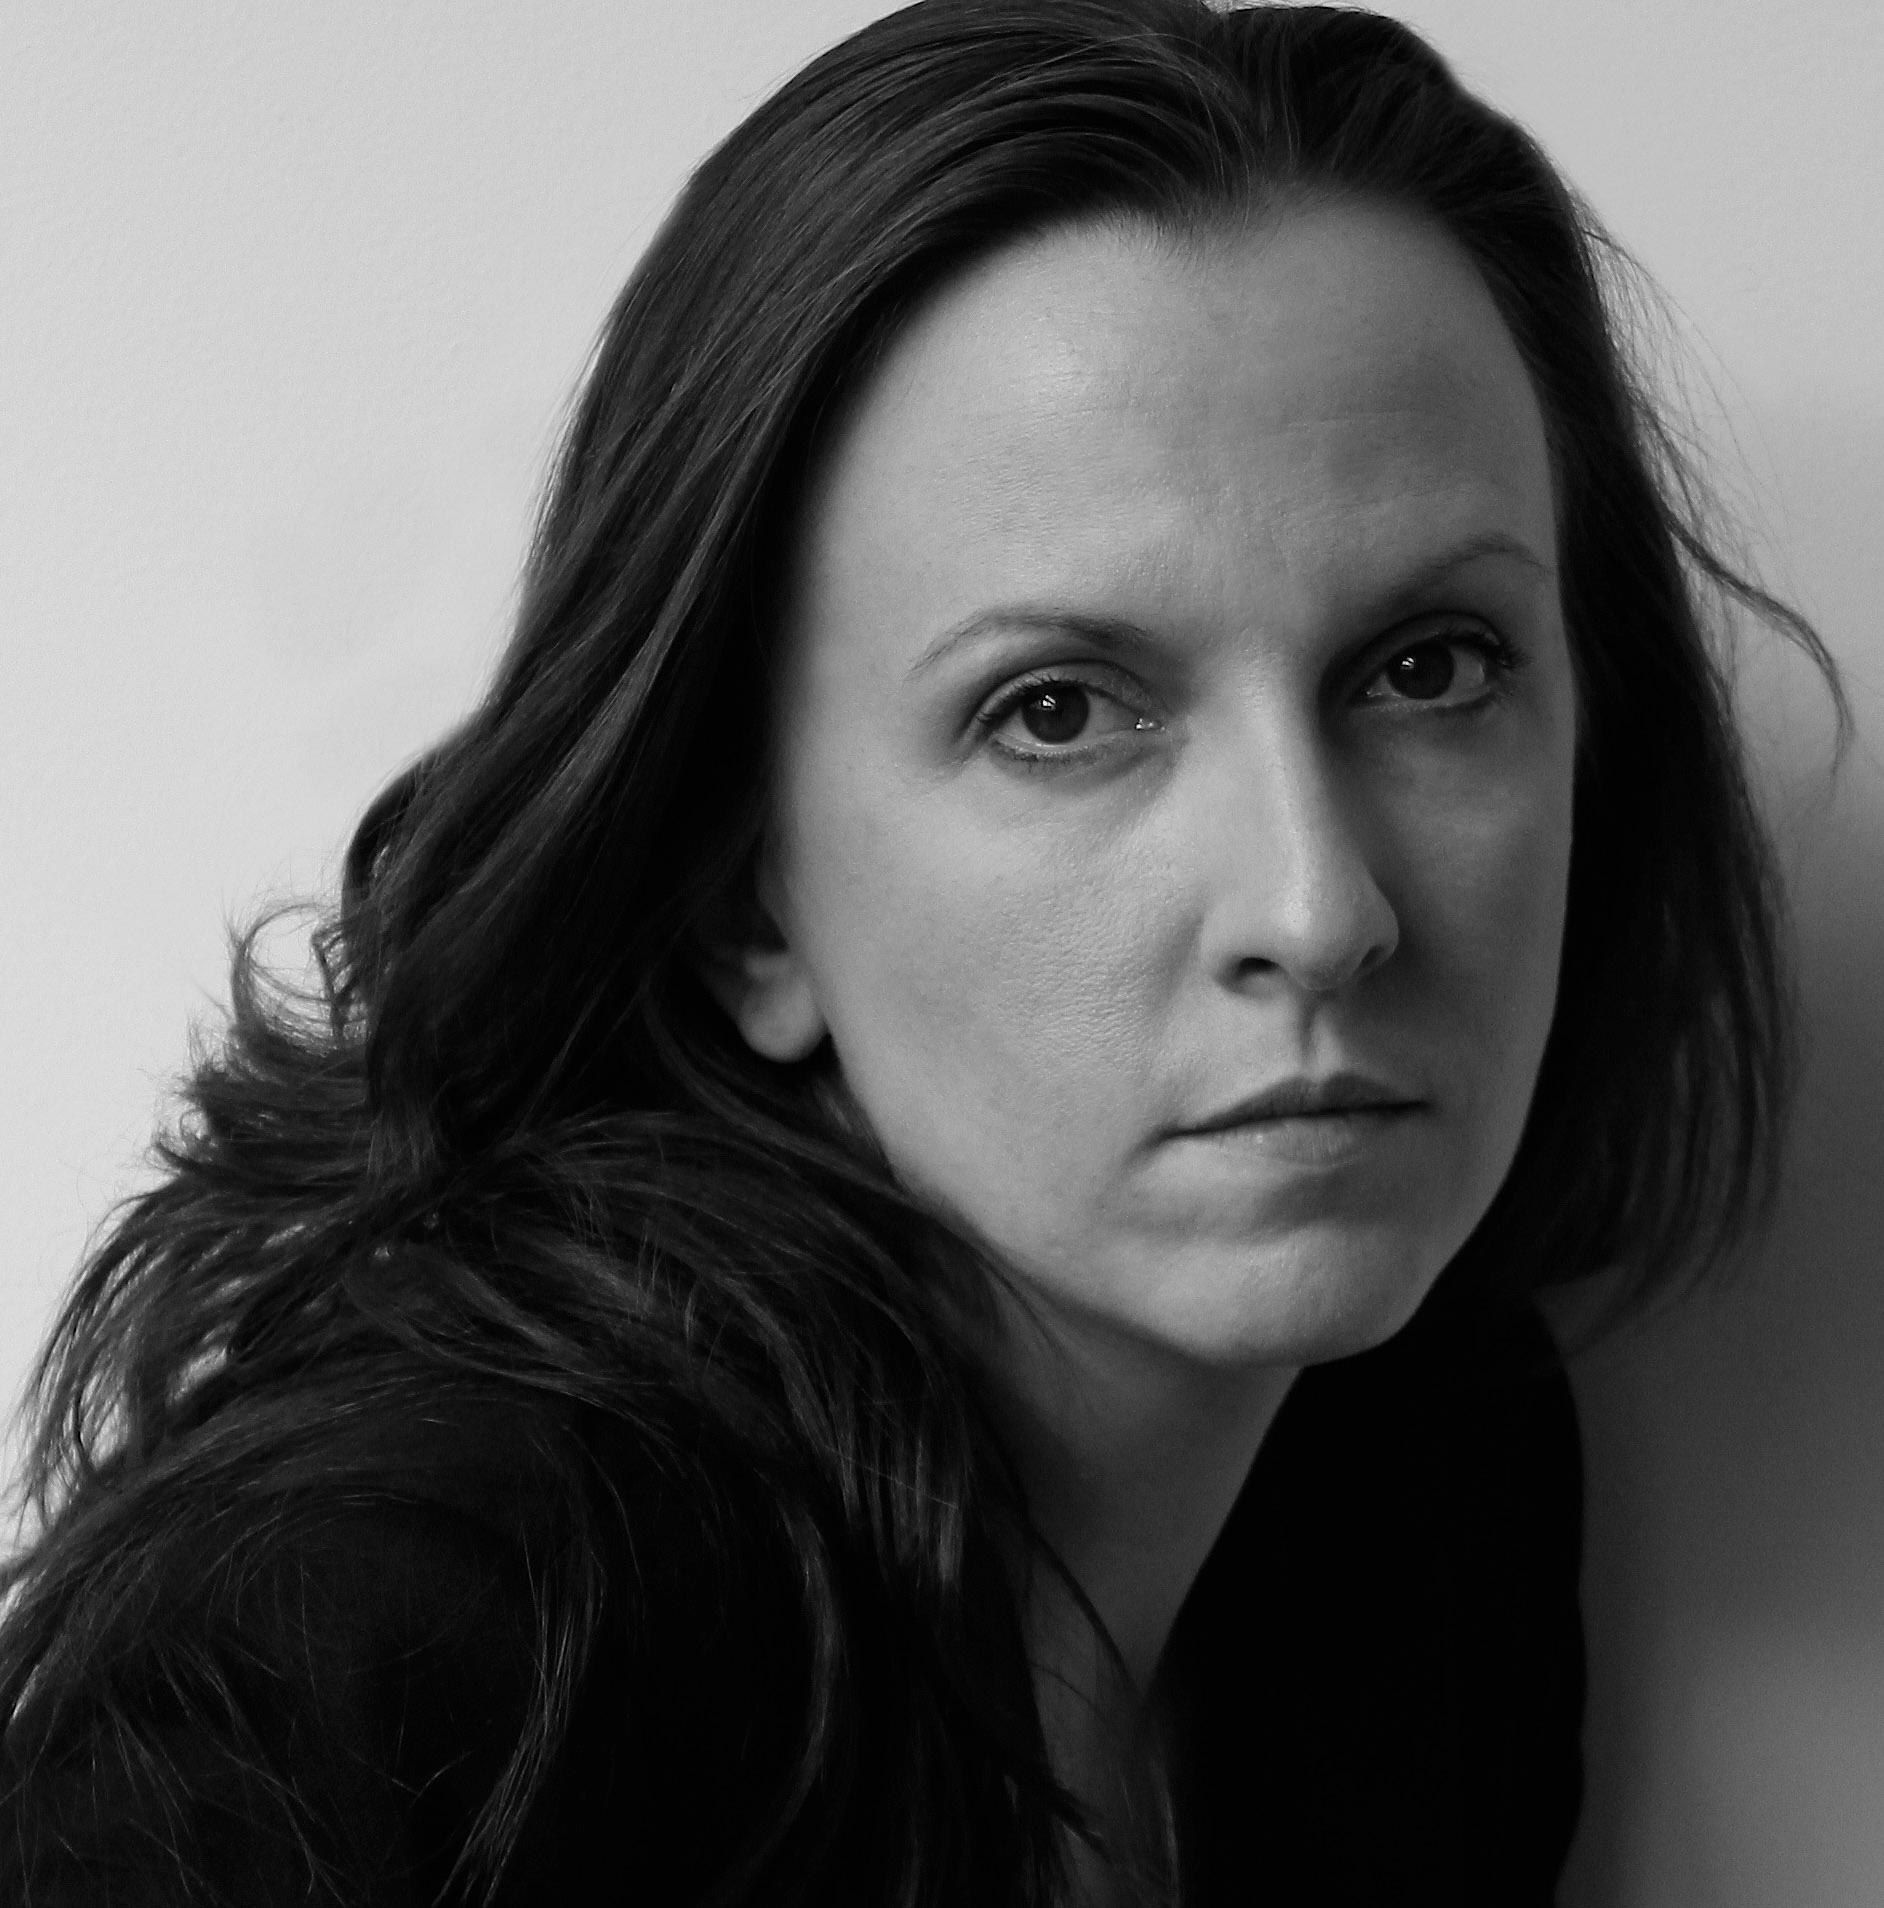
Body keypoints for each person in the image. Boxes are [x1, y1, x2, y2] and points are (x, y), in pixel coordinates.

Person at [0, 3, 1839, 1903]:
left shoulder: (1431, 1469)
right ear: (742, 897)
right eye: (1058, 713)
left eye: (1430, 668)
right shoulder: (394, 1656)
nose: (1320, 907)